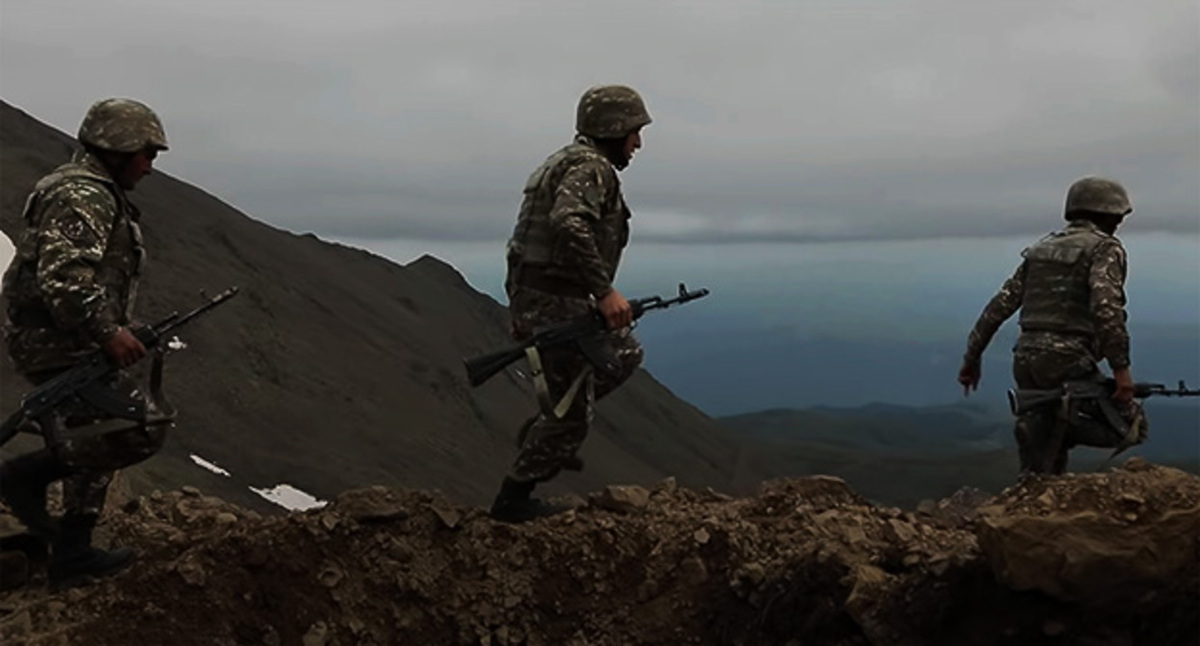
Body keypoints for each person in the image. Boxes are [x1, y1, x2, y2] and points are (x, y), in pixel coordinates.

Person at [0, 98, 172, 584]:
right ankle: (24, 479)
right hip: (57, 340)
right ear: (117, 149)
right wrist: (108, 331)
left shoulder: (92, 190)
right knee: (135, 428)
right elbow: (66, 278)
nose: (149, 166)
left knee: (95, 430)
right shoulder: (83, 195)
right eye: (146, 154)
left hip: (68, 336)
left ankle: (72, 551)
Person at [489, 85, 652, 522]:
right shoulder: (592, 169)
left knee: (623, 353)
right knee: (573, 412)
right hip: (554, 302)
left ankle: (549, 428)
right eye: (634, 131)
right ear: (613, 128)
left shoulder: (566, 162)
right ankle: (513, 500)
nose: (638, 143)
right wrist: (604, 292)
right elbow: (568, 222)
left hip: (543, 297)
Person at [958, 176, 1146, 475]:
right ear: (1109, 214)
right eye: (1117, 216)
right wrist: (1122, 371)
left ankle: (1038, 449)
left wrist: (971, 358)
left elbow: (998, 307)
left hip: (1026, 356)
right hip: (1068, 359)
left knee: (1041, 459)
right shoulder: (1105, 249)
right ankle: (1054, 424)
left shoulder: (1041, 249)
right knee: (1130, 426)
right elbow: (1106, 308)